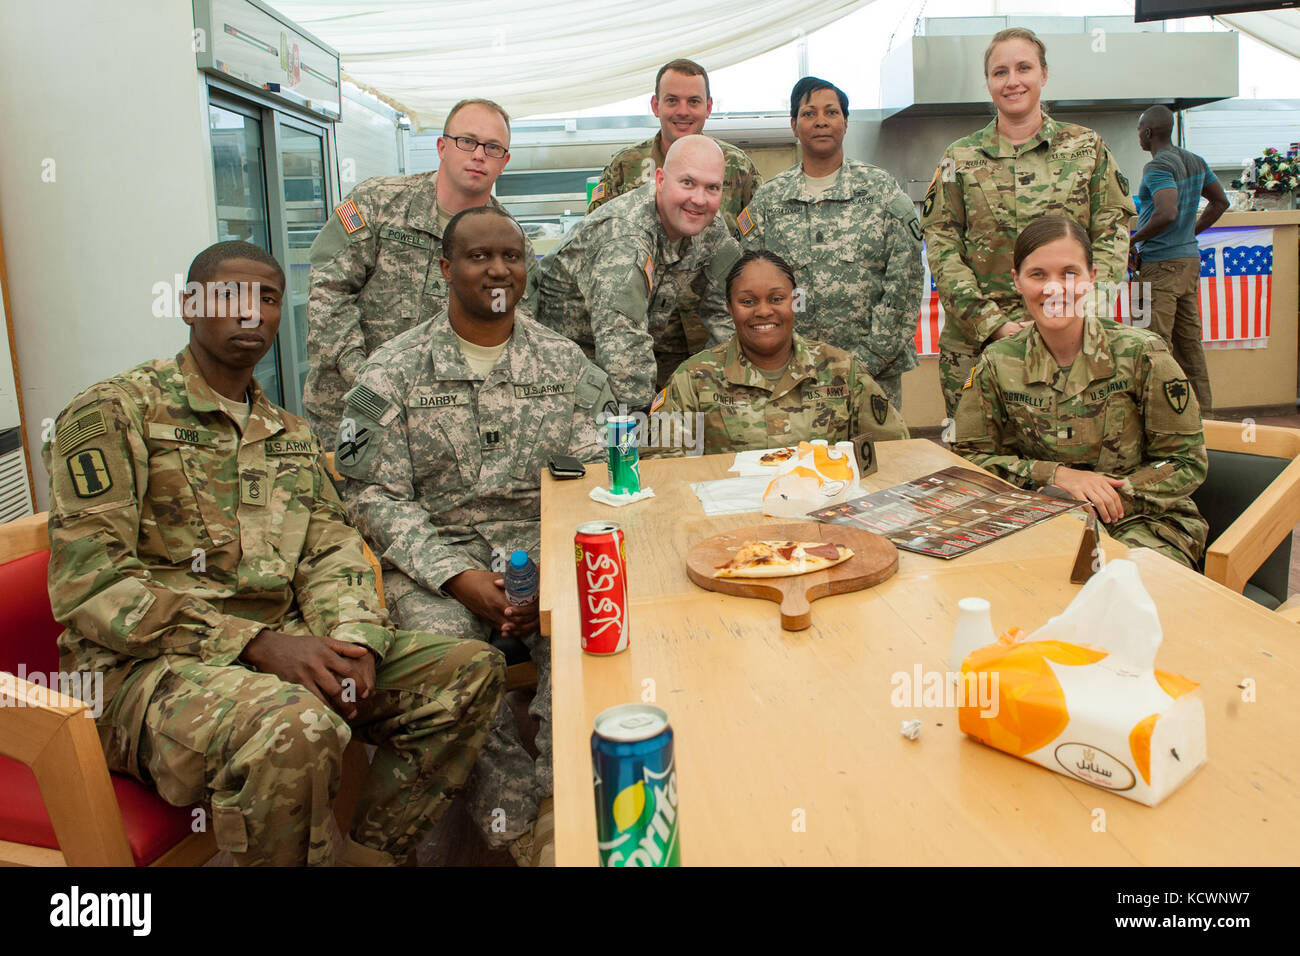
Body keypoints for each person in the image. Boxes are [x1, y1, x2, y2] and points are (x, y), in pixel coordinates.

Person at [42, 240, 505, 866]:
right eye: (229, 295)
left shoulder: (286, 434)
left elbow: (332, 549)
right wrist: (254, 644)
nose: (251, 313)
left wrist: (355, 637)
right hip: (143, 676)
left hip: (281, 652)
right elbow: (92, 587)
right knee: (295, 728)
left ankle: (369, 857)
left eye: (266, 298)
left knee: (467, 669)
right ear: (188, 305)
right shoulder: (116, 412)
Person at [335, 207, 615, 866]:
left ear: (526, 268)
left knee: (589, 637)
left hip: (540, 550)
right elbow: (370, 493)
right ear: (444, 269)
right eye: (479, 256)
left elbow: (597, 474)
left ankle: (561, 805)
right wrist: (458, 576)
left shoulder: (565, 363)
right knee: (452, 658)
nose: (498, 269)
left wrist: (547, 569)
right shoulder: (390, 372)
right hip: (437, 561)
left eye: (511, 257)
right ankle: (518, 823)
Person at [952, 216, 1208, 569]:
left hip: (1143, 523)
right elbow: (970, 462)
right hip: (1038, 520)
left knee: (1123, 586)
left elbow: (1185, 461)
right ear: (1018, 282)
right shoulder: (997, 362)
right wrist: (1055, 477)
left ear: (1092, 278)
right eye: (1038, 274)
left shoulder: (1141, 354)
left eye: (1069, 273)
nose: (1054, 289)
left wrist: (1110, 496)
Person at [923, 28, 1136, 420]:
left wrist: (1077, 313)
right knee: (978, 460)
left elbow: (1112, 232)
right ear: (988, 82)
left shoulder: (1087, 148)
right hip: (979, 344)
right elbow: (941, 246)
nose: (1013, 81)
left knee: (1073, 449)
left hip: (1071, 338)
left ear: (1044, 74)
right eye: (1000, 72)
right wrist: (993, 324)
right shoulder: (960, 157)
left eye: (1024, 68)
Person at [303, 98, 538, 443]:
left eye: (492, 148)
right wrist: (365, 374)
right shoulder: (377, 204)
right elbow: (328, 292)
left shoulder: (510, 242)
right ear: (442, 147)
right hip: (356, 409)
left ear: (504, 162)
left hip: (445, 425)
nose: (478, 155)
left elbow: (516, 326)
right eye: (467, 141)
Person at [738, 77, 923, 412]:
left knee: (878, 462)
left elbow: (905, 284)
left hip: (872, 374)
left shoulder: (880, 192)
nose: (821, 120)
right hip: (791, 378)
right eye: (809, 113)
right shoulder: (769, 200)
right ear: (794, 125)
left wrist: (866, 361)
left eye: (831, 112)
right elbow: (749, 286)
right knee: (798, 462)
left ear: (845, 122)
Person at [535, 134, 740, 410]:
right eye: (688, 183)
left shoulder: (709, 225)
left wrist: (716, 387)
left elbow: (727, 308)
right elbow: (623, 351)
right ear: (660, 180)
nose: (699, 199)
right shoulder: (624, 239)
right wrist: (647, 430)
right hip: (562, 378)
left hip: (617, 367)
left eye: (712, 188)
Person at [650, 250, 908, 455]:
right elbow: (660, 463)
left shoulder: (841, 370)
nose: (763, 312)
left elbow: (892, 451)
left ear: (795, 301)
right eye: (747, 302)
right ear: (729, 307)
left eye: (776, 299)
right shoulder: (694, 378)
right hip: (731, 515)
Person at [588, 59, 763, 240]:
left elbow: (759, 239)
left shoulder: (738, 166)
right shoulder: (624, 165)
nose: (683, 111)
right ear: (656, 106)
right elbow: (594, 236)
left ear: (708, 107)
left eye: (693, 101)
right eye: (672, 100)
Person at [1132, 104, 1228, 413]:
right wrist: (1191, 232)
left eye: (1139, 131)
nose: (1138, 136)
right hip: (1188, 261)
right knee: (1189, 345)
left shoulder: (1158, 166)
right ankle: (1205, 417)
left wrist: (1133, 240)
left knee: (1152, 345)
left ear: (1147, 133)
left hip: (1160, 265)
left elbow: (1167, 211)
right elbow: (1220, 201)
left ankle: (1159, 418)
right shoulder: (1195, 161)